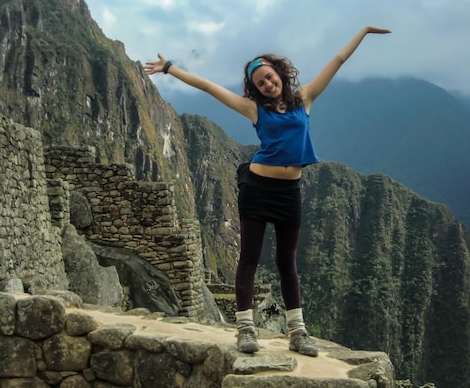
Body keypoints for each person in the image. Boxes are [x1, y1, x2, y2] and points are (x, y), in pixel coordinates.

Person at [144, 25, 391, 356]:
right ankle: (245, 328)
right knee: (248, 258)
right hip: (257, 189)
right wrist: (170, 68)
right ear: (255, 88)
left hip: (289, 193)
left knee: (287, 261)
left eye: (270, 77)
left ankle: (298, 333)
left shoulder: (305, 99)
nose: (268, 84)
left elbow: (338, 59)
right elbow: (207, 86)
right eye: (260, 83)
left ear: (280, 74)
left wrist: (363, 31)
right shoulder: (253, 109)